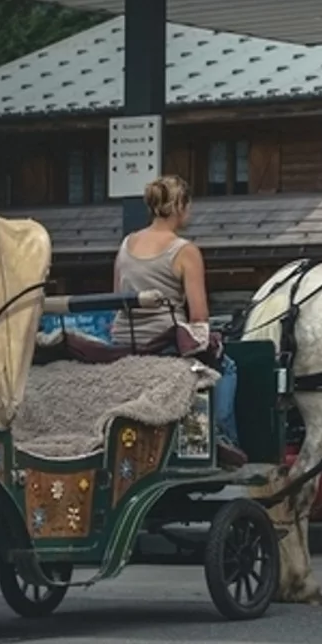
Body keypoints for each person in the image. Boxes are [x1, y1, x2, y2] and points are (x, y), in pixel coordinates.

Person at [110, 175, 245, 467]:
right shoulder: (184, 251)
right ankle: (221, 436)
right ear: (180, 206)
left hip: (123, 341)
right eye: (189, 205)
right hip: (165, 343)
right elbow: (199, 315)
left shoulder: (126, 243)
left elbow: (117, 295)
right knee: (227, 367)